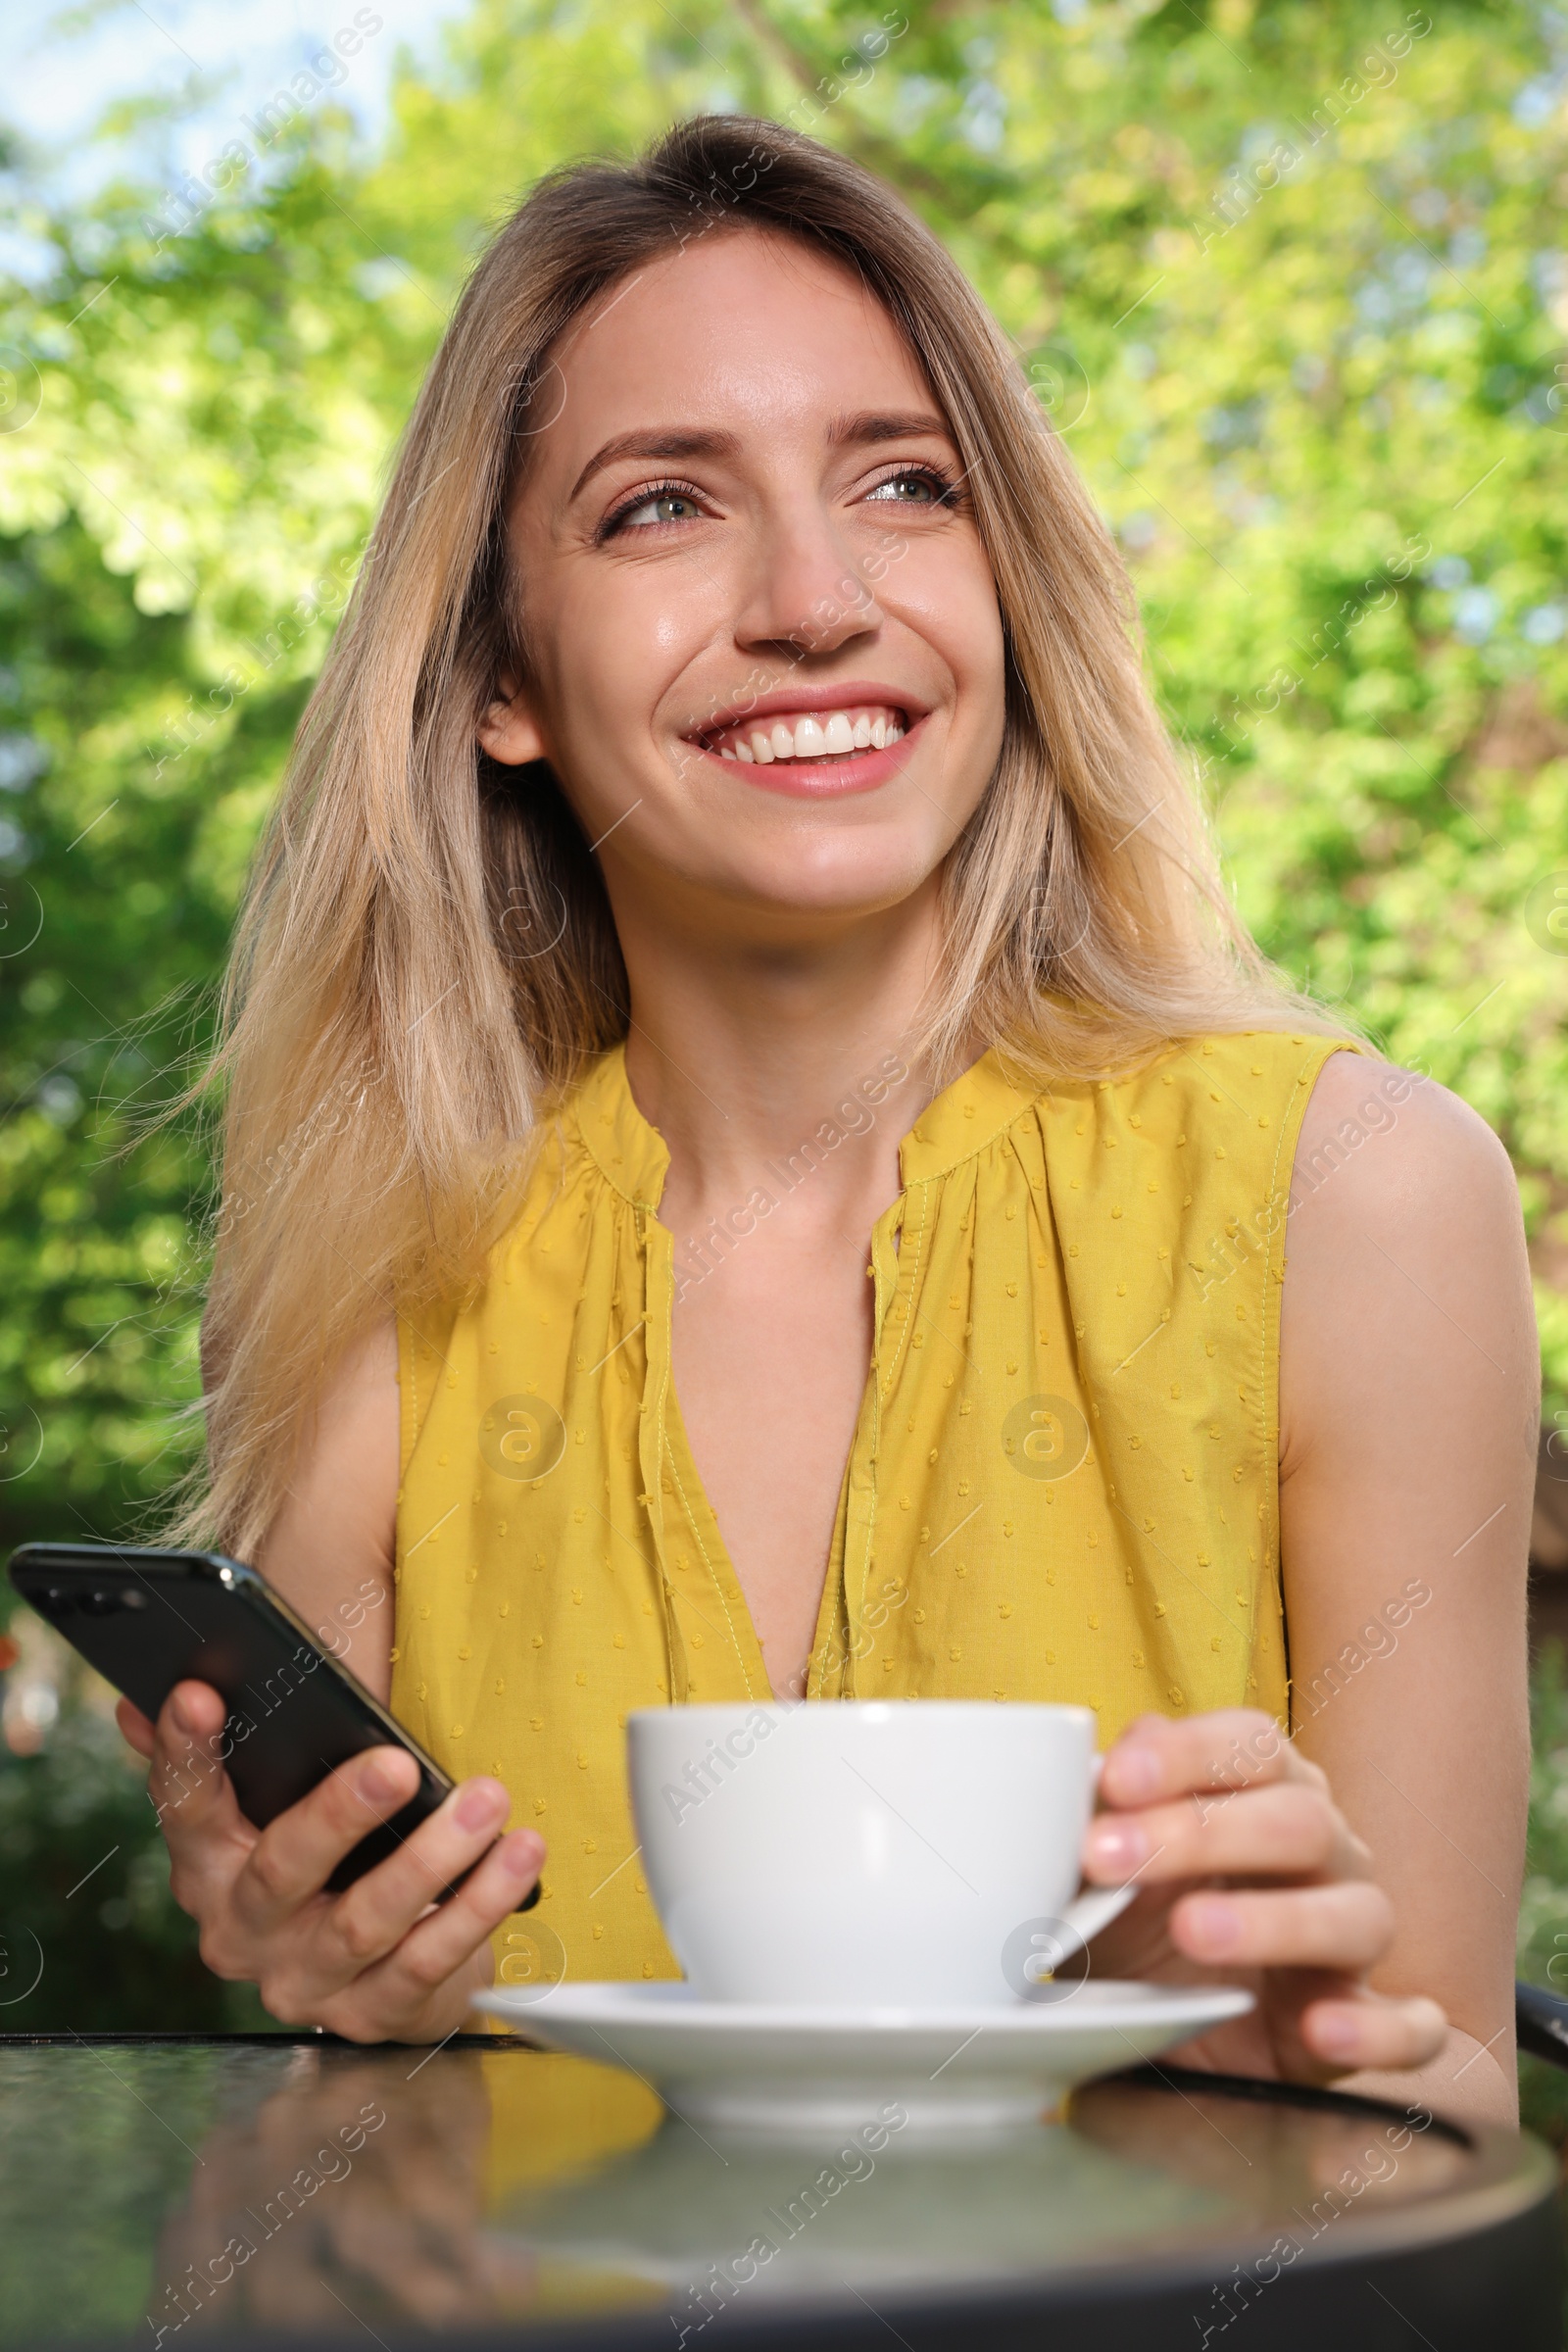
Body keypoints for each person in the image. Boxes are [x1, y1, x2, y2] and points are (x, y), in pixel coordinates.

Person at [119, 117, 1535, 2119]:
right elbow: (356, 2098)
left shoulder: (1353, 1197)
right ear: (498, 673)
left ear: (1008, 586)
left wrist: (1269, 2049)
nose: (811, 598)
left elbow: (1444, 2111)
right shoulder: (373, 1279)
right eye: (660, 507)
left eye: (902, 484)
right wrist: (321, 1963)